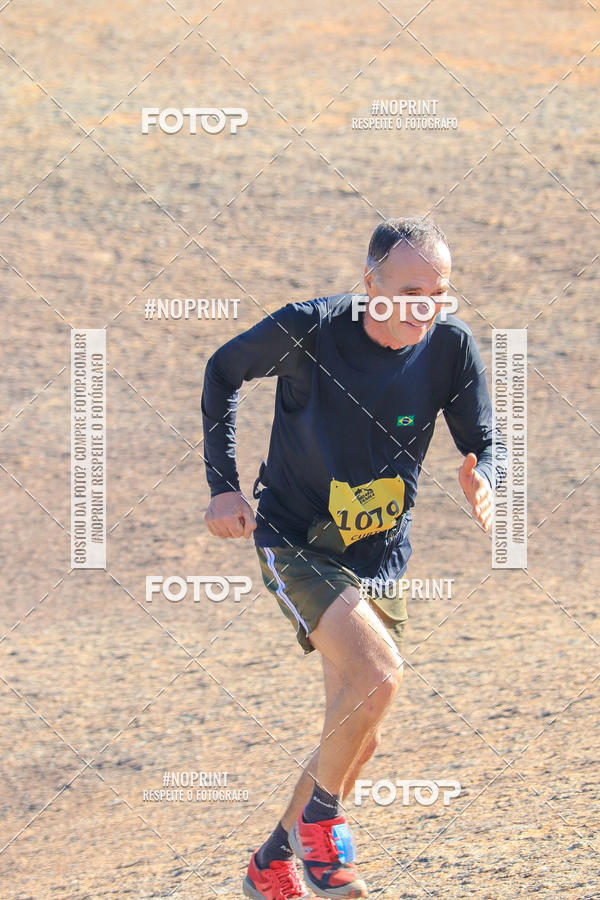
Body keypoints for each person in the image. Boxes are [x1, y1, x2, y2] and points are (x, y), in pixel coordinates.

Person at [201, 216, 505, 900]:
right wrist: (222, 485)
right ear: (370, 284)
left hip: (380, 554)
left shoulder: (450, 347)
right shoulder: (310, 330)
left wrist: (486, 473)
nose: (426, 308)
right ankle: (323, 826)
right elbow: (222, 371)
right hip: (297, 540)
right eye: (409, 292)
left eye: (439, 293)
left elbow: (487, 440)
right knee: (378, 677)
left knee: (357, 735)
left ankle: (271, 861)